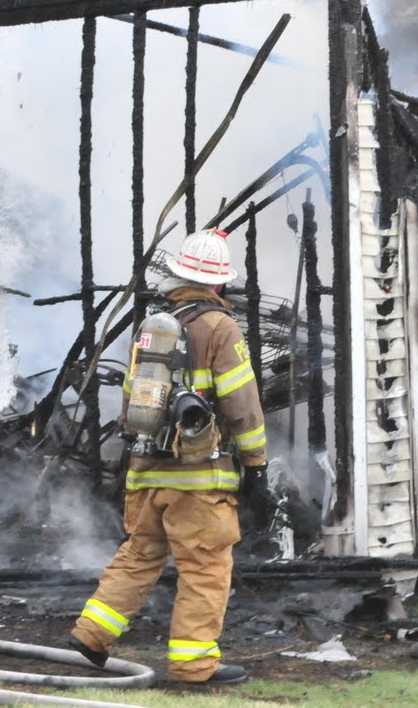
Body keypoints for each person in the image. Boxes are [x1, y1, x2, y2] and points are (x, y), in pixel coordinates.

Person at [70, 228, 268, 685]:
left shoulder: (153, 327)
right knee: (205, 567)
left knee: (140, 554)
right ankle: (194, 666)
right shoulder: (221, 328)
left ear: (179, 275)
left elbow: (130, 403)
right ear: (219, 282)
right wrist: (256, 463)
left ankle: (91, 634)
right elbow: (242, 404)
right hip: (199, 478)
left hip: (147, 471)